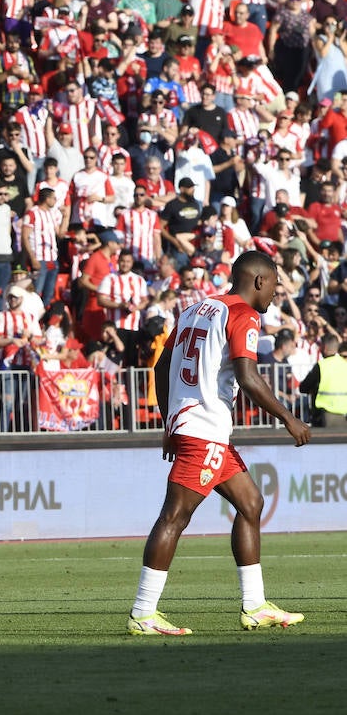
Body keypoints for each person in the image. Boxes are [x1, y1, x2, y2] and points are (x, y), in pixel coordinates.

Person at [128, 251, 311, 636]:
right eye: (275, 285)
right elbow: (247, 376)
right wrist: (288, 417)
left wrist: (169, 420)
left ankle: (255, 605)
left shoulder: (196, 309)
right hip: (205, 429)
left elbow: (162, 366)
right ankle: (143, 612)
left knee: (250, 504)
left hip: (194, 425)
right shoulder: (244, 314)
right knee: (175, 516)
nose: (276, 294)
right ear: (259, 280)